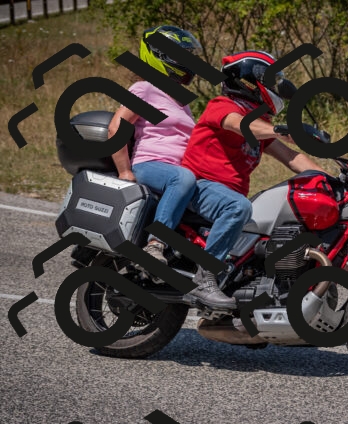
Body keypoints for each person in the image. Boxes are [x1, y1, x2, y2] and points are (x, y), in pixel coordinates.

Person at [180, 50, 327, 310]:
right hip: (199, 188)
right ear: (249, 80)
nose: (275, 87)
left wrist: (329, 180)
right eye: (270, 80)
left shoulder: (260, 124)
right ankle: (205, 277)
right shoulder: (222, 106)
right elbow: (241, 124)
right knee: (238, 207)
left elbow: (291, 157)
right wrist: (283, 130)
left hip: (224, 196)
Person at [109, 25, 202, 265]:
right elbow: (116, 128)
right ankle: (155, 244)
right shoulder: (145, 89)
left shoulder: (181, 101)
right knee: (183, 179)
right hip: (150, 164)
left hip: (177, 171)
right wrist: (124, 172)